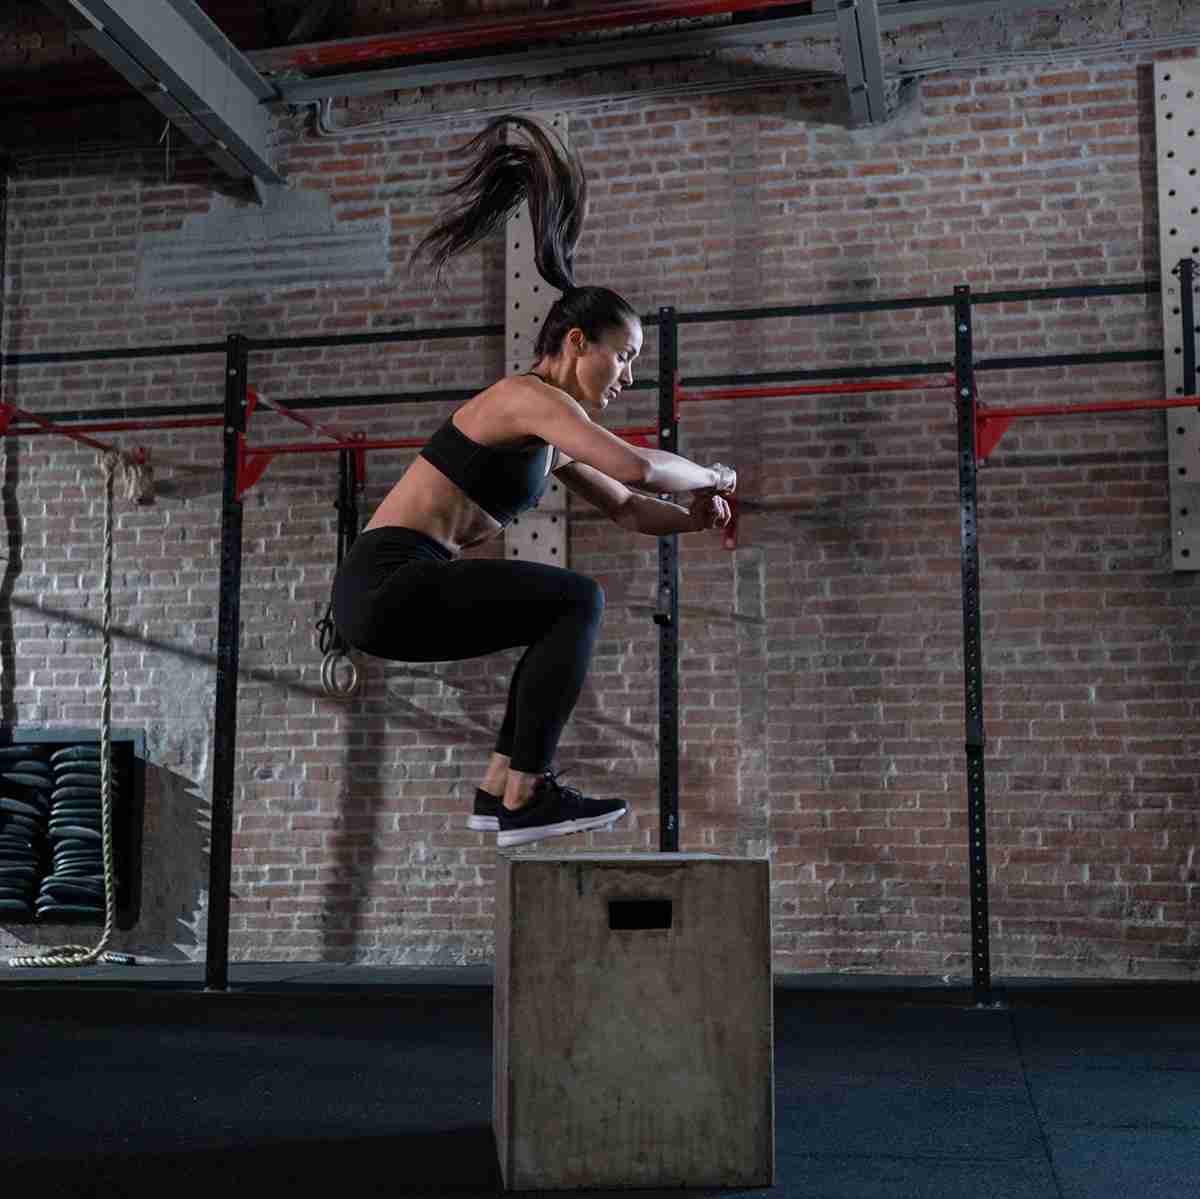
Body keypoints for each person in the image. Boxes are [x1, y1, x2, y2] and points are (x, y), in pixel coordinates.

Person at [332, 115, 736, 849]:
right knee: (575, 600)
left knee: (555, 614)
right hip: (384, 583)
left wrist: (697, 518)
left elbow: (632, 509)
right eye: (624, 357)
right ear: (576, 342)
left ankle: (499, 792)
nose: (629, 376)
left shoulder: (551, 434)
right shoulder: (525, 398)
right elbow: (639, 466)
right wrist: (711, 471)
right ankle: (528, 791)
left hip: (395, 593)